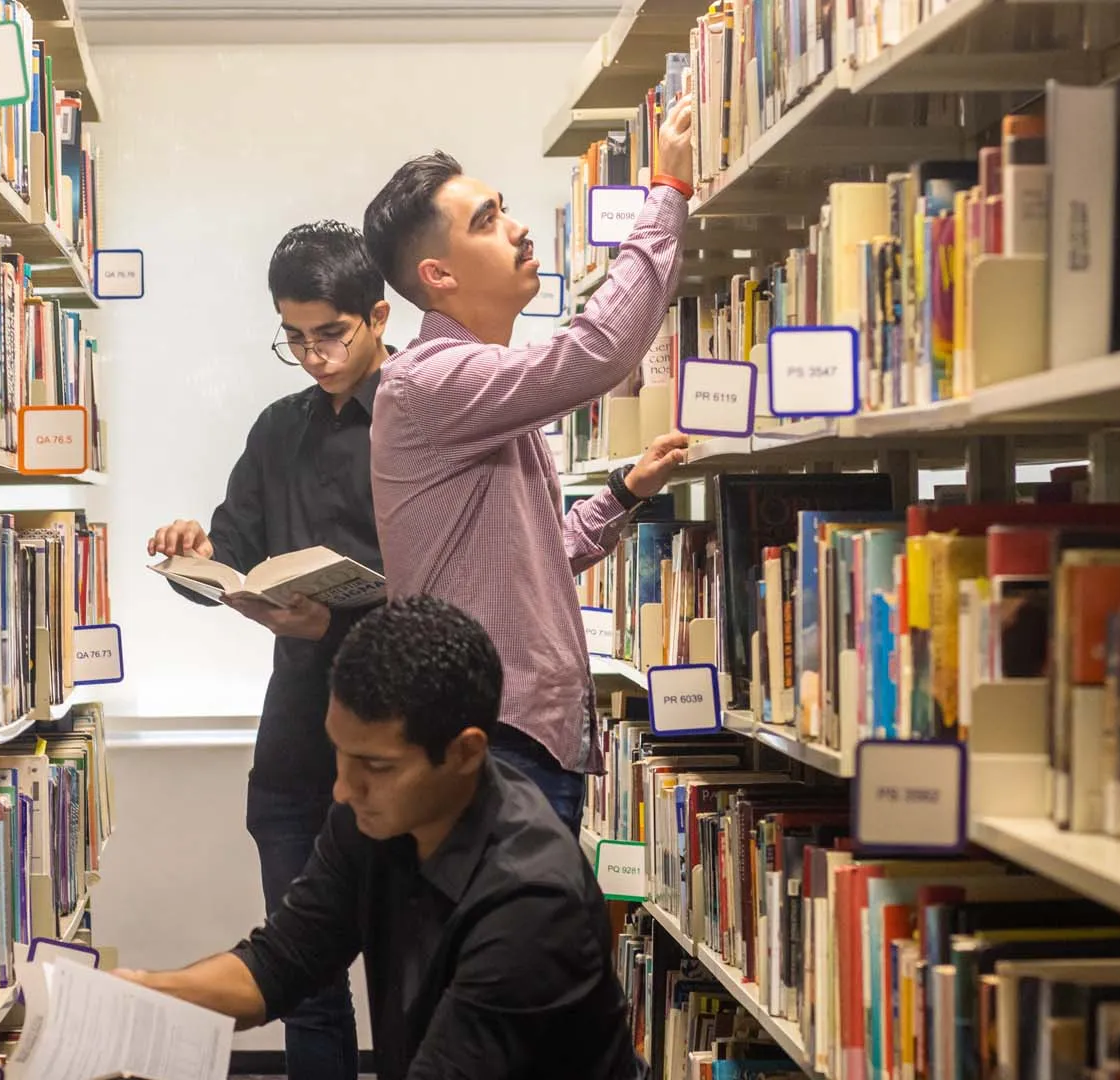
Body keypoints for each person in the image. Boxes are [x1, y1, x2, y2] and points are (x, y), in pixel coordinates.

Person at [115, 595, 643, 1080]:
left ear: (464, 753)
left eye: (376, 765)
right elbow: (279, 964)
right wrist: (137, 997)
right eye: (340, 753)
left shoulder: (534, 903)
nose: (343, 789)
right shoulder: (376, 817)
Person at [358, 96, 698, 831]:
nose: (516, 228)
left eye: (504, 209)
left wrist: (622, 493)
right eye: (486, 221)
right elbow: (597, 352)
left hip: (521, 738)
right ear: (438, 274)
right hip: (495, 741)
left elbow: (529, 563)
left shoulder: (477, 393)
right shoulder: (429, 381)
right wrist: (668, 192)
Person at [144, 220, 389, 1080]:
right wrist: (192, 556)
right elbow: (234, 555)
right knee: (304, 985)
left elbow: (452, 588)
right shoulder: (277, 429)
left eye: (331, 334)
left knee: (409, 977)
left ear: (378, 316)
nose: (314, 356)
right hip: (294, 746)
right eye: (295, 338)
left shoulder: (423, 420)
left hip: (399, 745)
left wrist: (338, 626)